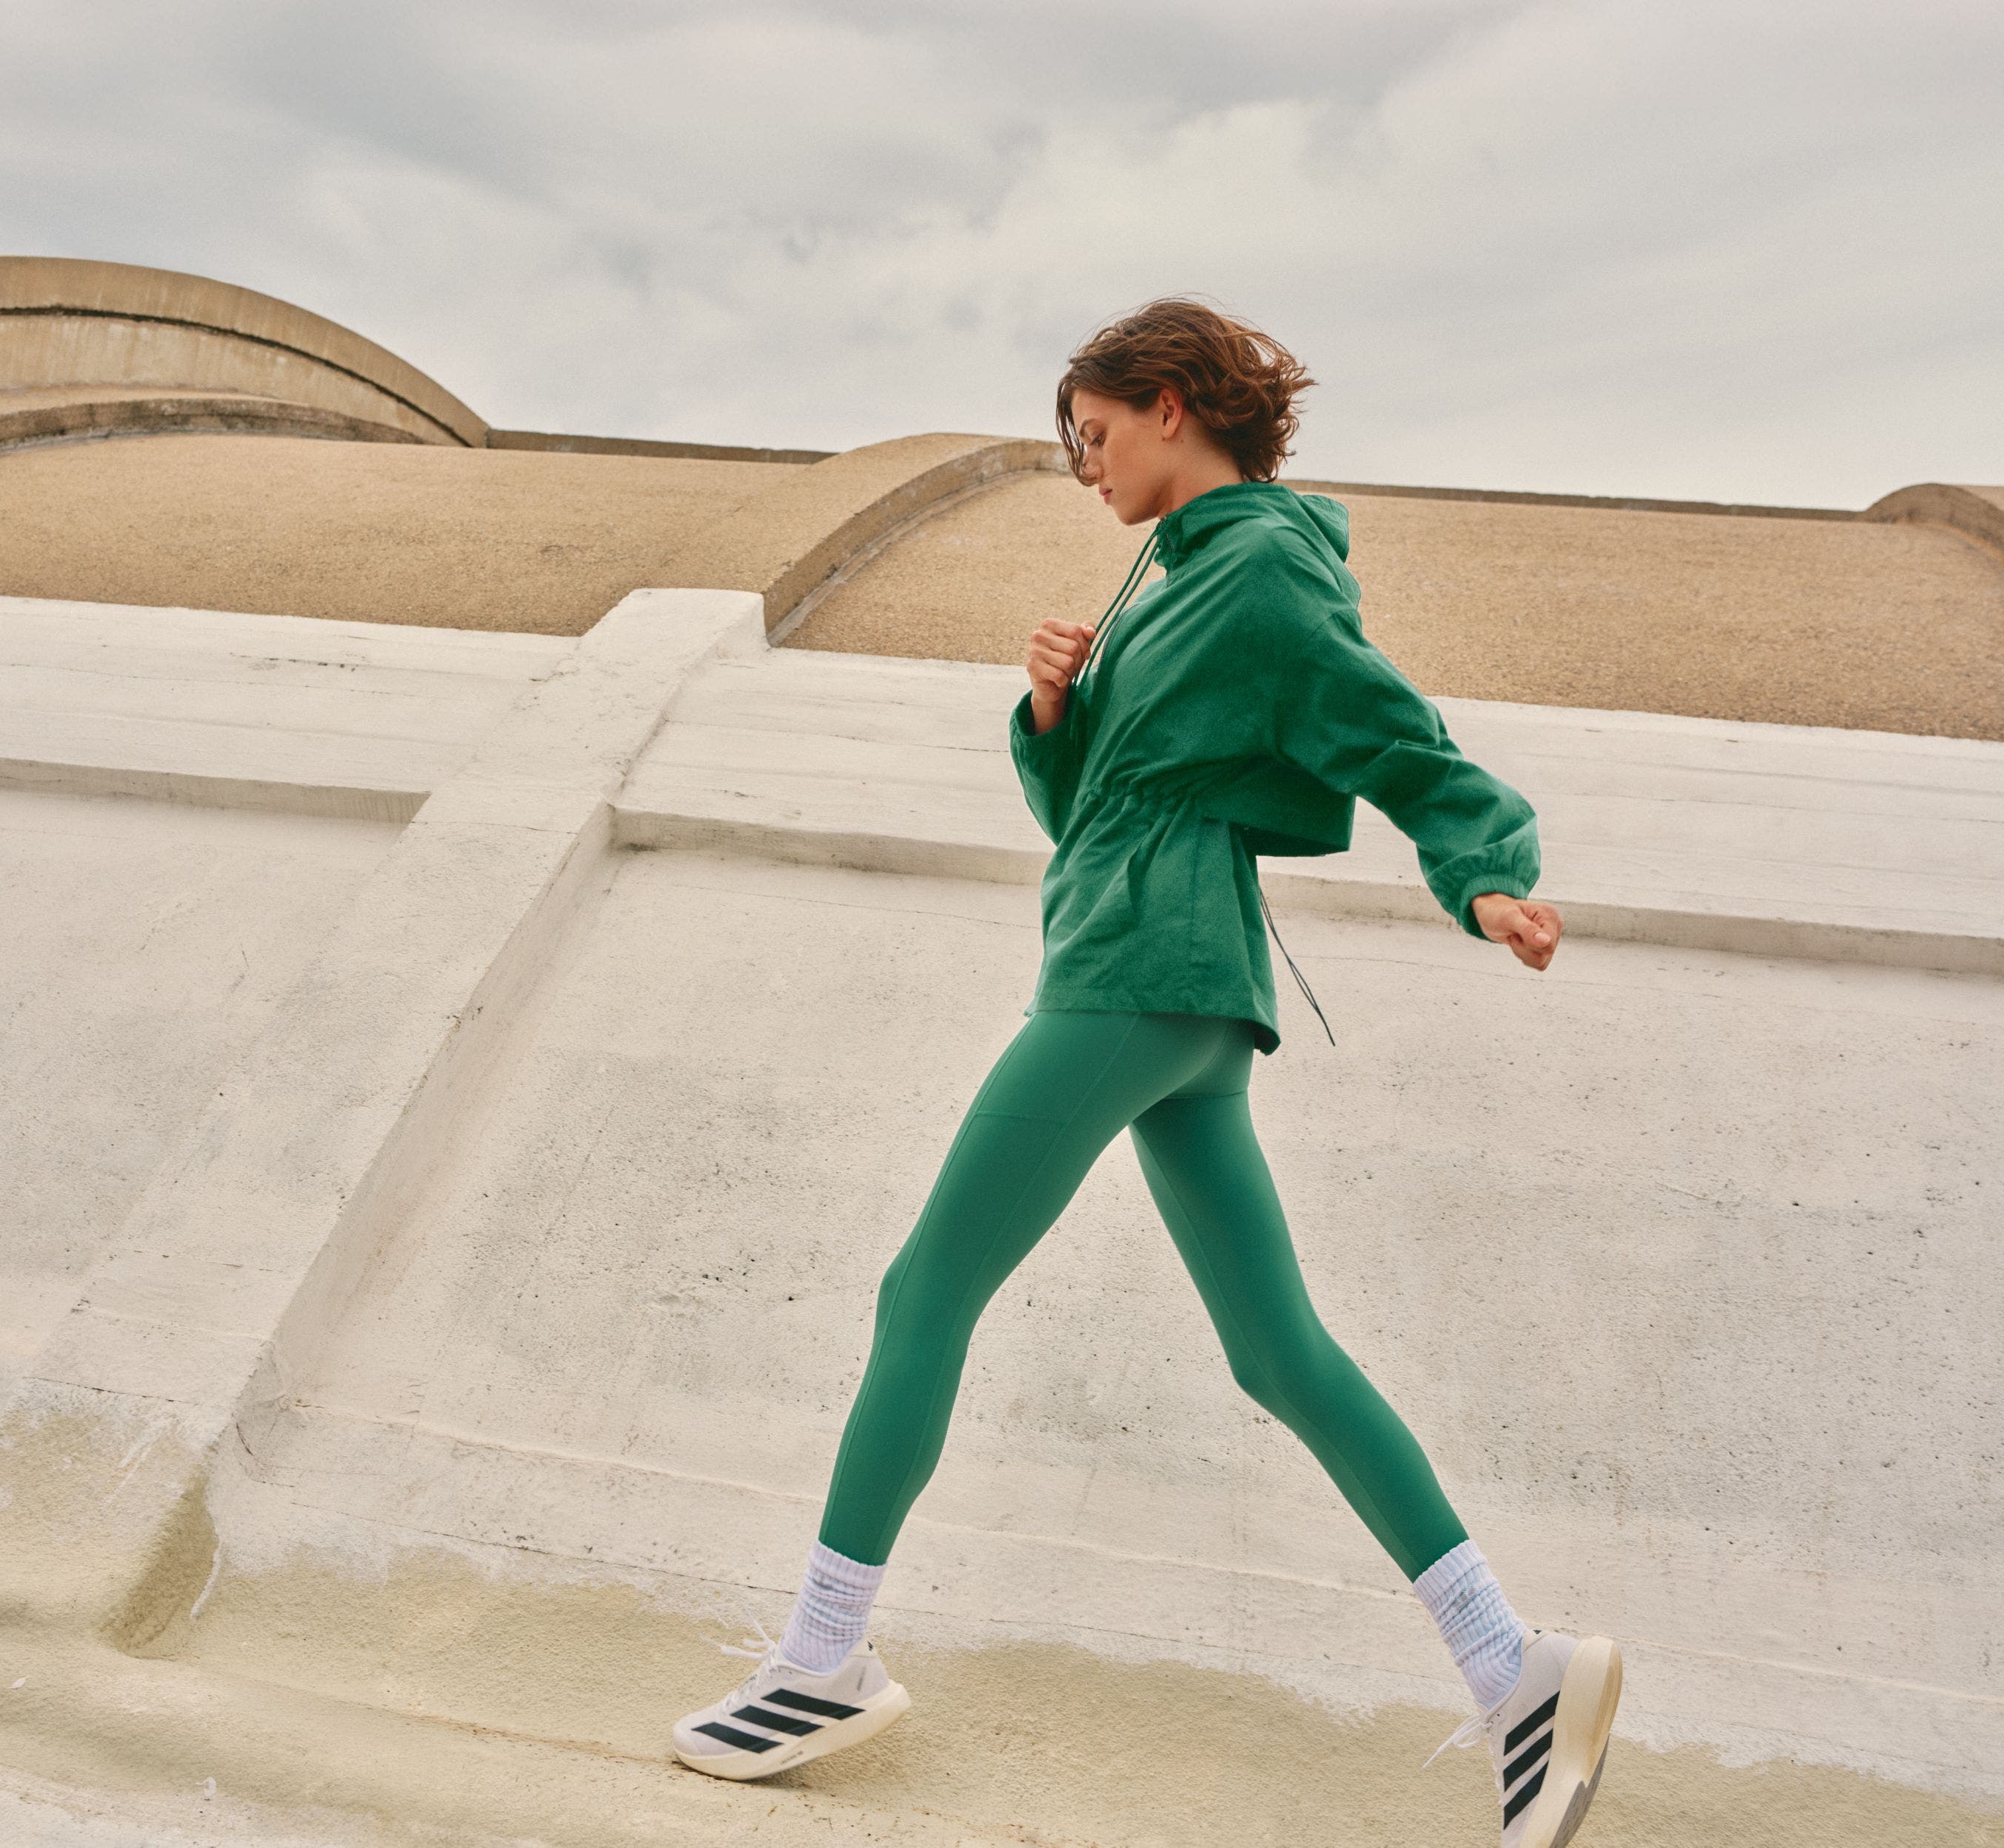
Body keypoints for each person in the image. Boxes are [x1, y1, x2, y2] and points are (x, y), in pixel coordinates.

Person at [671, 298, 1622, 1847]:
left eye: (1097, 434)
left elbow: (1388, 729)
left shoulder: (1255, 569)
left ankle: (822, 1656)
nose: (1086, 467)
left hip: (1136, 973)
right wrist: (1056, 708)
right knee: (1278, 1353)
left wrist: (1484, 870)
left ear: (1172, 405)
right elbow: (1093, 808)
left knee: (923, 1292)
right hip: (1177, 985)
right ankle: (1513, 1666)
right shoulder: (1176, 584)